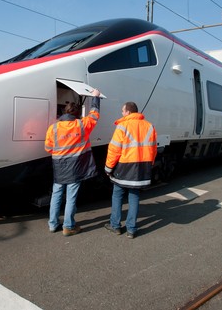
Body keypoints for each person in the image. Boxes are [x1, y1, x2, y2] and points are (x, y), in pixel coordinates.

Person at [44, 88, 101, 236]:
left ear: (64, 112)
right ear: (77, 115)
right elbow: (94, 115)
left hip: (59, 167)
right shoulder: (82, 125)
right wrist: (96, 97)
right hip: (75, 167)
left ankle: (53, 224)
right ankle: (68, 226)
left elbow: (48, 148)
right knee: (71, 197)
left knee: (56, 194)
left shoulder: (53, 128)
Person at [104, 102, 157, 239]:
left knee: (117, 194)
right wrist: (149, 164)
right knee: (134, 196)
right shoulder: (149, 126)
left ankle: (115, 225)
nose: (122, 113)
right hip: (141, 166)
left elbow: (114, 149)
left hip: (124, 166)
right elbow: (153, 149)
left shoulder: (123, 126)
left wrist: (108, 167)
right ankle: (131, 229)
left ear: (128, 112)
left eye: (123, 111)